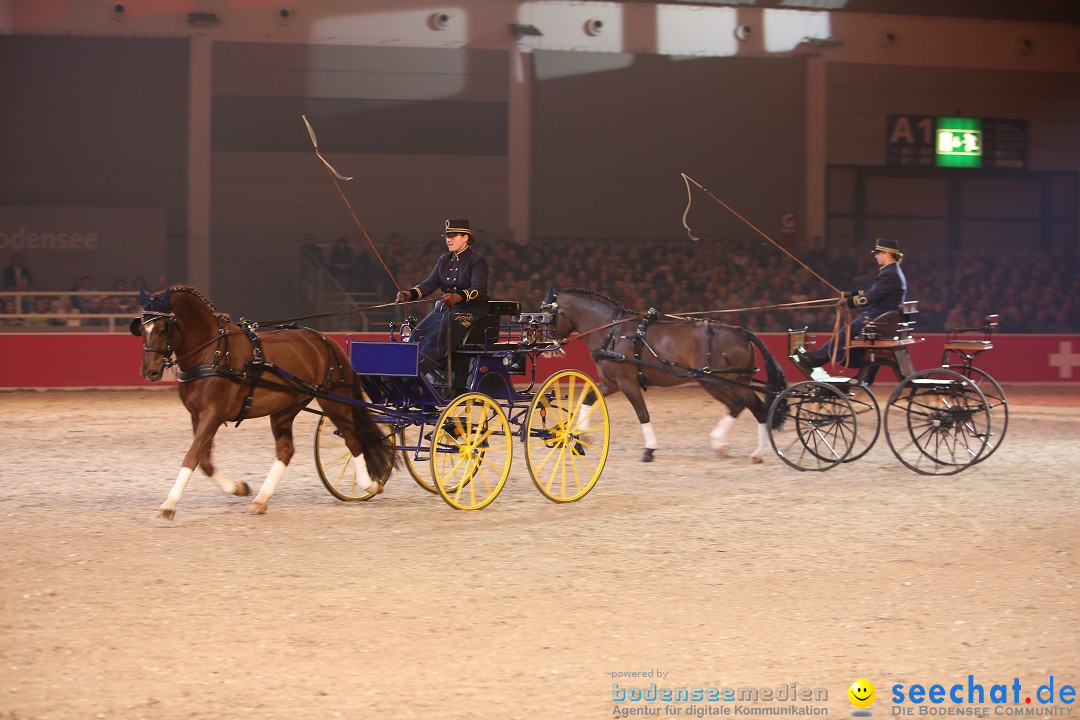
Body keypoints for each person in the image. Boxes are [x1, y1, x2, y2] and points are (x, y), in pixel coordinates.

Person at [395, 219, 490, 377]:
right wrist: (409, 294)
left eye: (453, 235)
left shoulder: (477, 261)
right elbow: (429, 284)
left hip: (472, 309)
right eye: (447, 236)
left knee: (445, 328)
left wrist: (457, 297)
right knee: (418, 332)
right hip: (446, 308)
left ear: (465, 237)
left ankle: (423, 367)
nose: (448, 239)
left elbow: (477, 289)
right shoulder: (443, 260)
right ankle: (408, 365)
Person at [794, 238, 907, 371]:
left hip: (879, 316)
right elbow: (874, 292)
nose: (876, 256)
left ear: (887, 253)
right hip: (884, 316)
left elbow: (871, 297)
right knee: (848, 331)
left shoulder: (889, 274)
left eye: (878, 253)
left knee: (847, 331)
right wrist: (851, 294)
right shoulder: (892, 272)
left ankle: (816, 358)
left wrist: (848, 302)